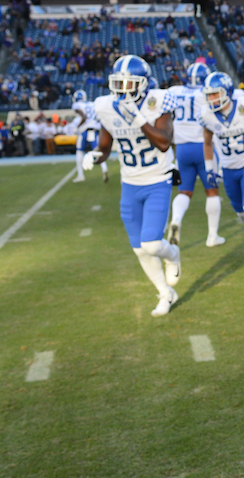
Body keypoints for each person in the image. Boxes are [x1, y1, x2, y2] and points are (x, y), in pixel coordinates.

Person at [84, 55, 182, 317]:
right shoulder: (105, 106)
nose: (122, 90)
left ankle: (173, 255)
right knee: (139, 249)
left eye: (129, 84)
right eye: (118, 83)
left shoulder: (158, 101)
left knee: (151, 244)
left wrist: (137, 118)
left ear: (143, 84)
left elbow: (163, 142)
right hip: (130, 183)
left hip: (157, 179)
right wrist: (94, 156)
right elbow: (104, 147)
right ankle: (165, 293)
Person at [199, 72, 244, 274]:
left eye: (216, 94)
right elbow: (207, 143)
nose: (212, 99)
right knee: (241, 213)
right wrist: (209, 169)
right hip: (228, 170)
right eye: (209, 95)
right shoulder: (206, 114)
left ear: (227, 92)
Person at [167, 62, 227, 247]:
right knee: (212, 191)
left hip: (182, 149)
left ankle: (176, 219)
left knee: (184, 191)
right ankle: (212, 236)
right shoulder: (207, 93)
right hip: (204, 146)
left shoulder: (174, 91)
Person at [71, 89, 109, 183]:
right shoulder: (92, 104)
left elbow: (83, 117)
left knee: (79, 152)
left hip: (84, 131)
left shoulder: (77, 105)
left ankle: (80, 175)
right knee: (98, 151)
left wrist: (77, 127)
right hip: (94, 130)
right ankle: (104, 168)